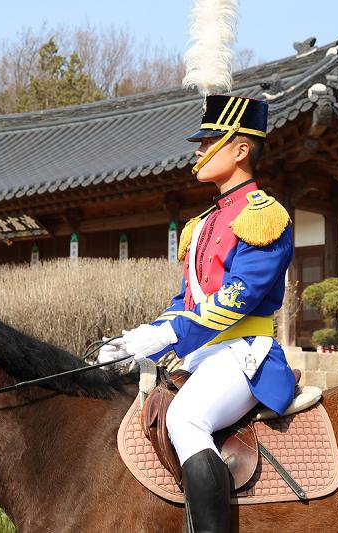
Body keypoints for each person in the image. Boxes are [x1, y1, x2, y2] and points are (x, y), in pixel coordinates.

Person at [101, 94, 296, 533]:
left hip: (244, 353)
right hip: (200, 357)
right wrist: (138, 338)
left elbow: (238, 298)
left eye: (209, 141)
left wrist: (169, 337)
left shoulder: (264, 217)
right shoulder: (203, 223)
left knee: (184, 419)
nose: (198, 151)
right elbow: (185, 302)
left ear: (240, 149)